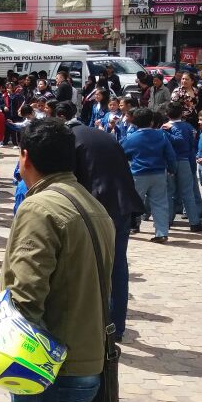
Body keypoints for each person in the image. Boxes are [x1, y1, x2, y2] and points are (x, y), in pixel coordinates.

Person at [2, 118, 115, 402]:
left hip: (51, 366)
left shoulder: (39, 208)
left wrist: (14, 358)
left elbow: (26, 291)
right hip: (85, 357)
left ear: (25, 157)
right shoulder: (91, 203)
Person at [57, 101, 142, 344]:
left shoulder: (69, 140)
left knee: (87, 266)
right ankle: (116, 327)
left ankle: (92, 325)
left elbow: (70, 178)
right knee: (117, 265)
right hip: (122, 205)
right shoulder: (97, 134)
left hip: (98, 208)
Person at [123, 108, 176, 243]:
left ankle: (129, 228)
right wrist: (172, 169)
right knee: (160, 203)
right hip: (159, 173)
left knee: (133, 202)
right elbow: (170, 154)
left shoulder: (131, 138)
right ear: (152, 122)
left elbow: (122, 153)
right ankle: (162, 232)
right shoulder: (161, 135)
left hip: (138, 174)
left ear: (134, 122)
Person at [162, 103, 202, 233]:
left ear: (167, 114)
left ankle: (168, 221)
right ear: (181, 114)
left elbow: (177, 140)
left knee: (170, 193)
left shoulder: (166, 128)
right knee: (187, 193)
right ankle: (194, 222)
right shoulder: (189, 127)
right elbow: (192, 145)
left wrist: (166, 132)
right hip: (185, 161)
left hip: (171, 161)